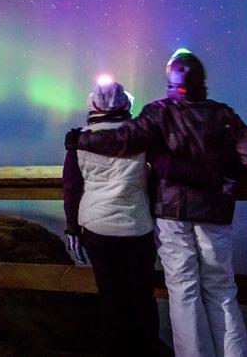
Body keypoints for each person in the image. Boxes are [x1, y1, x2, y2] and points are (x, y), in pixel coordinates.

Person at [66, 50, 247, 357]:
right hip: (213, 212)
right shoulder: (223, 114)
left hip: (171, 213)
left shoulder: (159, 112)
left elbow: (124, 141)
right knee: (222, 290)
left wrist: (80, 141)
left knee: (183, 291)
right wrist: (225, 177)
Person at [62, 76, 159, 357]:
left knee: (111, 299)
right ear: (125, 104)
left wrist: (72, 229)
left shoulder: (78, 140)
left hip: (98, 227)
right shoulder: (140, 137)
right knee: (142, 298)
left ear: (92, 104)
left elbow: (72, 187)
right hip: (138, 226)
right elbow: (153, 181)